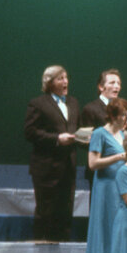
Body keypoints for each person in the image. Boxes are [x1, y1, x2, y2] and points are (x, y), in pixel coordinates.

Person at [24, 65, 80, 241]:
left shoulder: (73, 103)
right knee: (46, 211)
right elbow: (30, 132)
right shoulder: (38, 103)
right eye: (60, 78)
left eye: (66, 77)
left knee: (65, 210)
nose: (65, 82)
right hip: (46, 168)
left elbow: (75, 128)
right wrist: (56, 138)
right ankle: (41, 250)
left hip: (68, 167)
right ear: (49, 83)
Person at [85, 98, 127, 253]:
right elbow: (93, 163)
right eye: (123, 116)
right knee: (106, 226)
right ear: (113, 116)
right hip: (106, 187)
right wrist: (118, 157)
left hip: (120, 187)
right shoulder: (99, 134)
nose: (126, 119)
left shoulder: (124, 135)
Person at [80, 69, 121, 192]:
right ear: (101, 86)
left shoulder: (121, 109)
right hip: (99, 169)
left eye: (118, 83)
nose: (116, 86)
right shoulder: (90, 108)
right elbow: (82, 140)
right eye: (112, 83)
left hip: (119, 168)